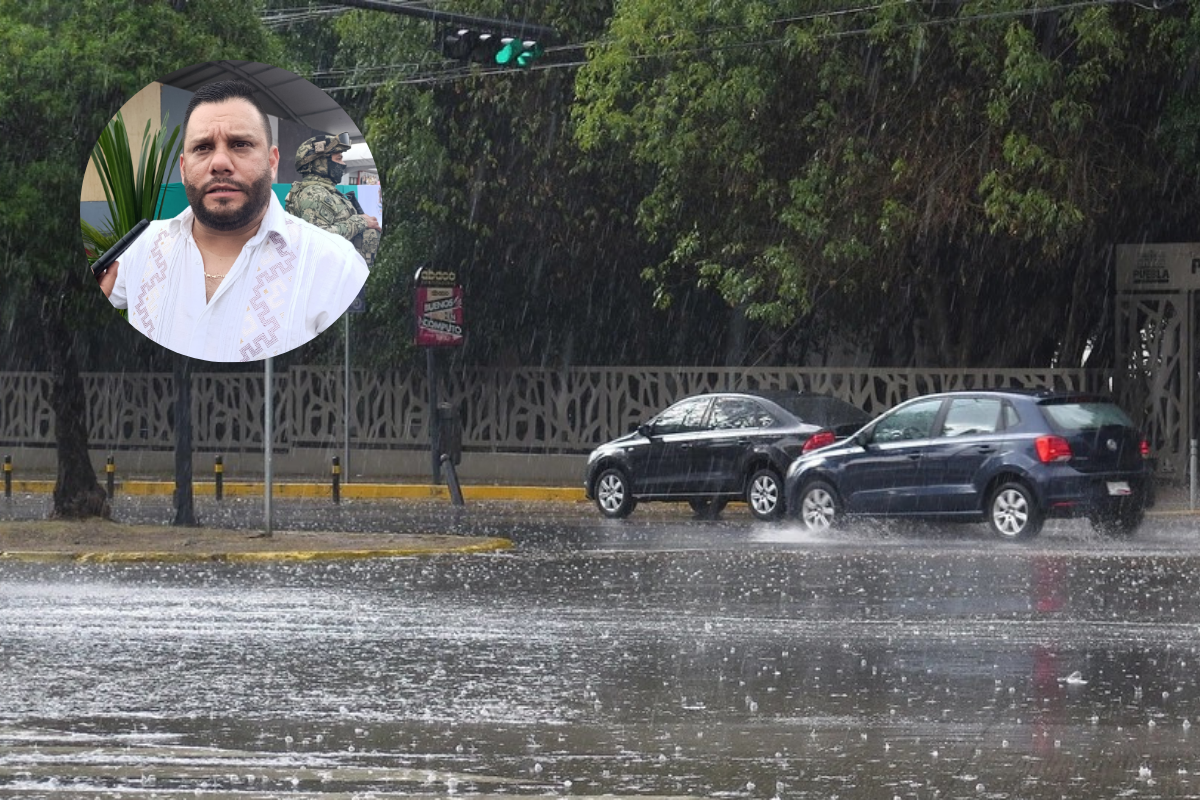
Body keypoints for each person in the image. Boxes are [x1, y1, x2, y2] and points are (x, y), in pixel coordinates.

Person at [98, 79, 369, 362]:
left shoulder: (336, 268)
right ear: (183, 168)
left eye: (240, 144)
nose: (220, 162)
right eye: (202, 148)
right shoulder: (138, 251)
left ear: (272, 162)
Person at [284, 133, 381, 266]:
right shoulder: (314, 194)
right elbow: (319, 240)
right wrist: (361, 222)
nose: (343, 163)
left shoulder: (324, 191)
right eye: (339, 158)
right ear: (320, 163)